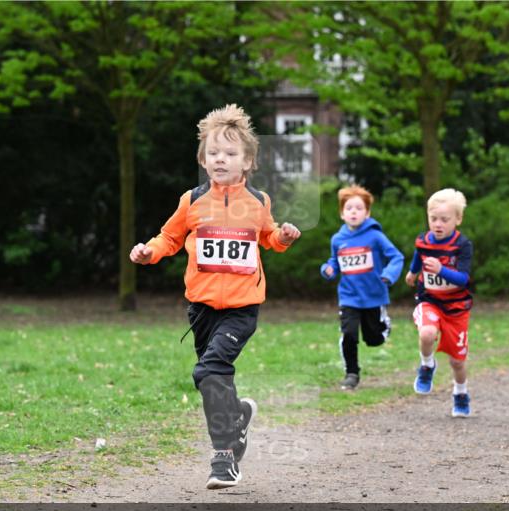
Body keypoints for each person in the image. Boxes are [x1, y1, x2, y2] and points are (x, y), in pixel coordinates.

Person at [129, 104, 301, 489]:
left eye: (230, 154)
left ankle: (224, 457)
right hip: (201, 308)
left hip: (242, 308)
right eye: (213, 154)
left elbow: (268, 238)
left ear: (248, 161)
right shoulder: (192, 201)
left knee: (209, 371)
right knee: (215, 380)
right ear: (202, 160)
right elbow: (170, 238)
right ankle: (237, 418)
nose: (220, 159)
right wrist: (149, 251)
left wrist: (283, 238)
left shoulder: (258, 202)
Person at [321, 185, 404, 389]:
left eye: (359, 208)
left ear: (367, 213)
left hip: (374, 295)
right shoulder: (338, 239)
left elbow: (396, 257)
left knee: (374, 339)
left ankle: (384, 326)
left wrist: (389, 275)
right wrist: (328, 269)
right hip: (349, 296)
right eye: (349, 208)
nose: (354, 212)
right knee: (349, 333)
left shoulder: (375, 236)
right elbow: (334, 262)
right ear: (342, 213)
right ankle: (351, 373)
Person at [403, 188, 474, 418]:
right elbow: (419, 254)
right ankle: (426, 364)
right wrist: (413, 273)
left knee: (457, 362)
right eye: (433, 219)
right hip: (430, 300)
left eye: (445, 219)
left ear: (458, 219)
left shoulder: (463, 245)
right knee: (426, 334)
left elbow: (463, 280)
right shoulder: (423, 240)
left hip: (456, 308)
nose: (438, 224)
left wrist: (442, 270)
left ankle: (460, 393)